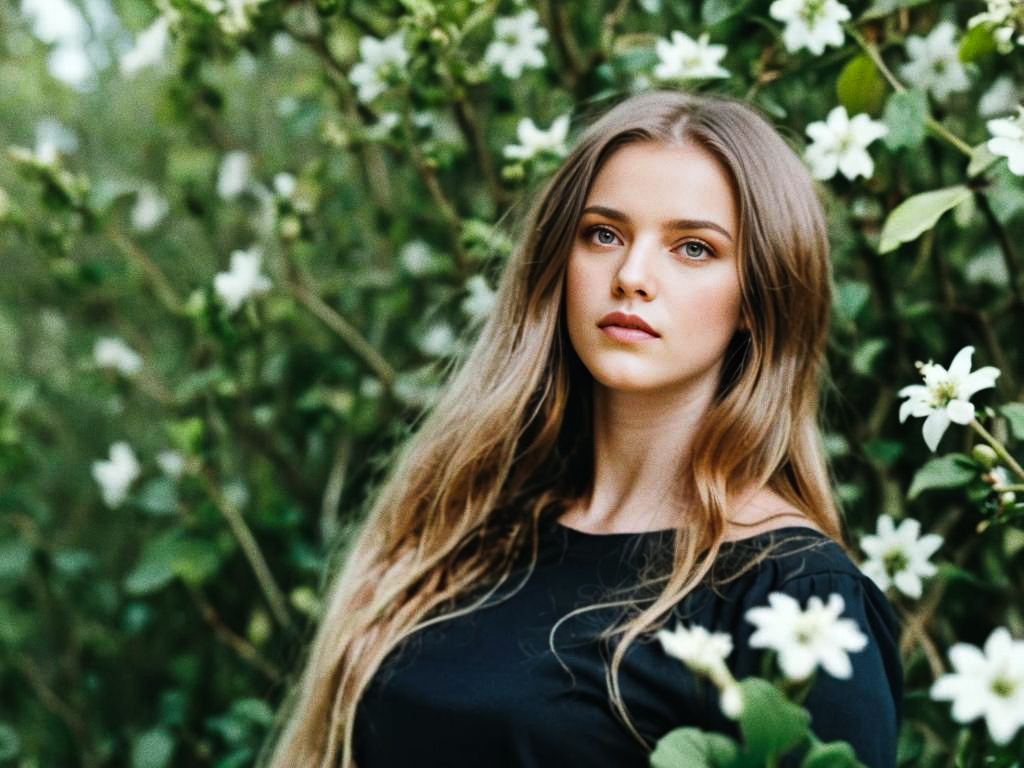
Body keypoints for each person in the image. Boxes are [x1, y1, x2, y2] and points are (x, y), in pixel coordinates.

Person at [257, 89, 903, 768]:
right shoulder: (471, 528)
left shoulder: (793, 597)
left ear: (759, 297)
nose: (631, 276)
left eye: (693, 248)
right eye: (603, 234)